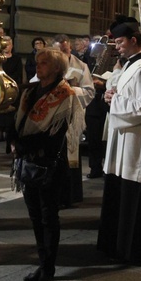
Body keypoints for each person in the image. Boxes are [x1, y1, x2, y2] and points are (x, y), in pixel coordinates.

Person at [10, 48, 83, 281]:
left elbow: (54, 135)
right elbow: (18, 123)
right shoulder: (30, 91)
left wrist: (21, 144)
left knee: (48, 217)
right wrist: (14, 140)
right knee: (34, 216)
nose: (37, 66)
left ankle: (48, 269)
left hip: (49, 163)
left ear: (56, 68)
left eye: (43, 63)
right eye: (37, 62)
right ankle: (42, 264)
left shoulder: (65, 94)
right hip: (28, 162)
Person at [97, 16, 141, 264]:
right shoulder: (131, 65)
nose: (117, 46)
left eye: (121, 41)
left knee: (133, 196)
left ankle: (134, 250)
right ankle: (116, 245)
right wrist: (113, 95)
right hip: (123, 138)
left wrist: (116, 101)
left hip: (135, 142)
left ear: (134, 41)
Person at [52, 34, 92, 206]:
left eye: (65, 50)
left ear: (70, 48)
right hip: (51, 117)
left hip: (71, 116)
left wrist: (71, 89)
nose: (63, 53)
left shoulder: (80, 66)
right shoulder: (48, 64)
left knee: (70, 156)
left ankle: (71, 195)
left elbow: (89, 92)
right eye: (59, 50)